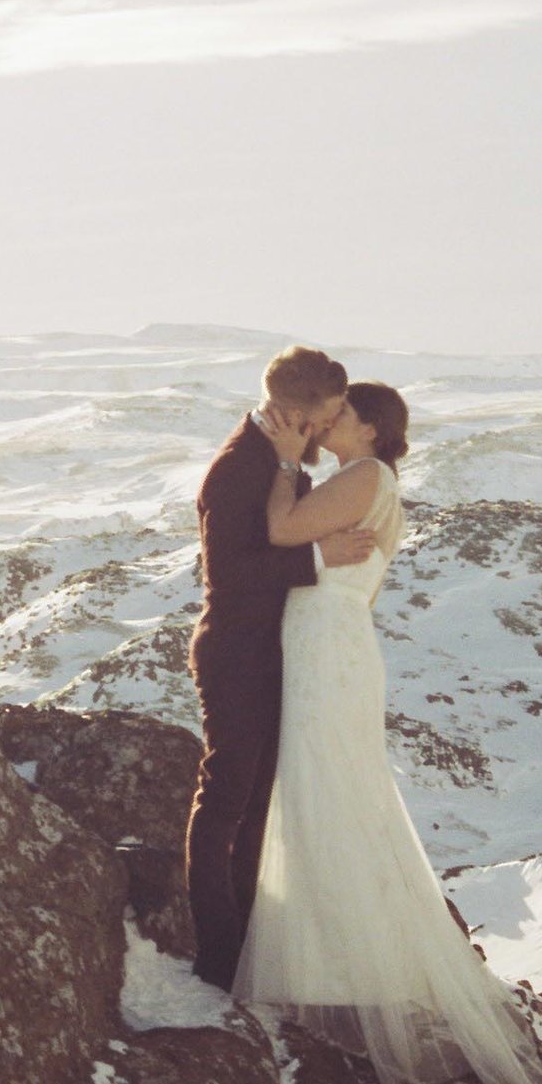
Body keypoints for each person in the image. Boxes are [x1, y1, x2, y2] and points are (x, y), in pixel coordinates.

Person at [233, 379, 542, 1084]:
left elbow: (281, 532)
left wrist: (285, 464)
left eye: (339, 415)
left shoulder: (364, 476)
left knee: (323, 789)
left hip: (325, 643)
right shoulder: (373, 482)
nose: (325, 423)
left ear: (370, 429)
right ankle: (337, 960)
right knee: (329, 789)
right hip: (334, 637)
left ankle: (331, 969)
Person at [183, 346, 381, 988]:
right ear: (295, 413)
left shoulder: (279, 462)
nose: (329, 429)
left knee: (258, 804)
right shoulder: (239, 468)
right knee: (225, 801)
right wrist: (318, 557)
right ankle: (217, 957)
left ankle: (244, 950)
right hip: (237, 650)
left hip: (276, 650)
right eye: (325, 419)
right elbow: (228, 577)